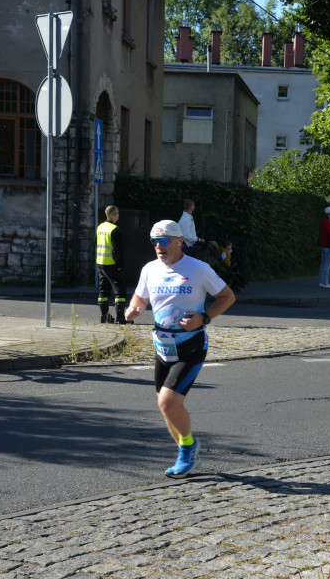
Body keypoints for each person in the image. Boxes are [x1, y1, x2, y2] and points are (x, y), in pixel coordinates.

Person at [124, 220, 236, 478]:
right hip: (162, 346)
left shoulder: (198, 269)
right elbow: (141, 296)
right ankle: (186, 453)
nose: (158, 247)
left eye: (163, 241)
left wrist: (204, 318)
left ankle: (189, 450)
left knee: (168, 401)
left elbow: (227, 296)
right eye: (153, 242)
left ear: (179, 241)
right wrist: (134, 308)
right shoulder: (150, 269)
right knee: (166, 407)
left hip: (191, 345)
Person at [95, 205, 130, 324]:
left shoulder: (100, 227)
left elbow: (96, 243)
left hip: (100, 263)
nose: (118, 216)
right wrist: (120, 265)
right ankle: (120, 318)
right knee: (120, 291)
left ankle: (104, 317)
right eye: (117, 214)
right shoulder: (115, 230)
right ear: (114, 215)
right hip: (112, 264)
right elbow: (117, 250)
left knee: (103, 290)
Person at [318, 206, 330, 289]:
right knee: (327, 265)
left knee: (323, 264)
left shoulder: (323, 222)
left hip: (323, 245)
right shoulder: (328, 223)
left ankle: (322, 282)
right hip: (329, 246)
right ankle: (325, 282)